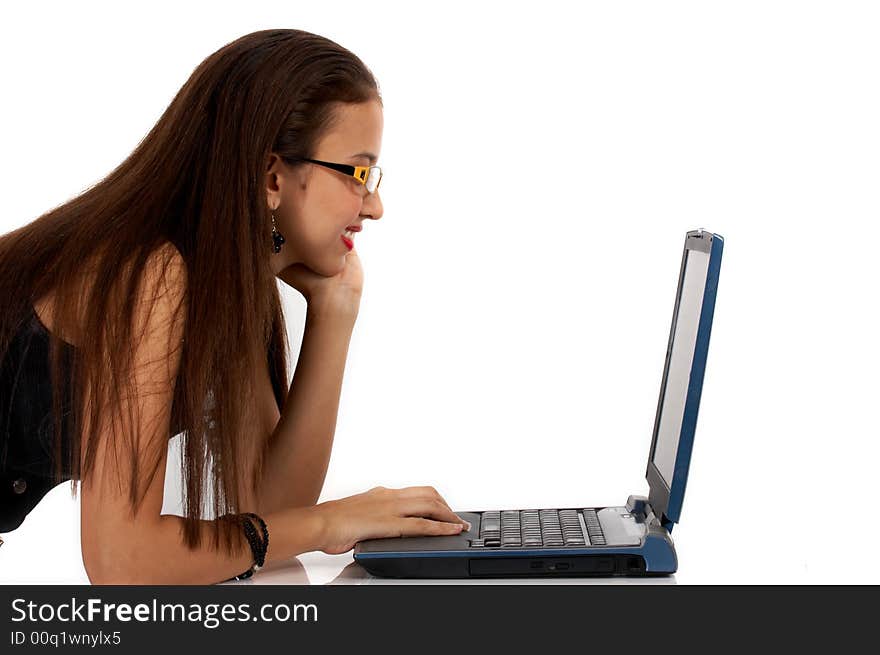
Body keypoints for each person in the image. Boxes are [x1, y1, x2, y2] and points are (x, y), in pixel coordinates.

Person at [0, 28, 469, 584]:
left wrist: (335, 312)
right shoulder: (155, 274)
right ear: (273, 175)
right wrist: (329, 522)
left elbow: (271, 504)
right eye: (360, 173)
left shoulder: (223, 280)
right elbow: (121, 561)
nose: (376, 205)